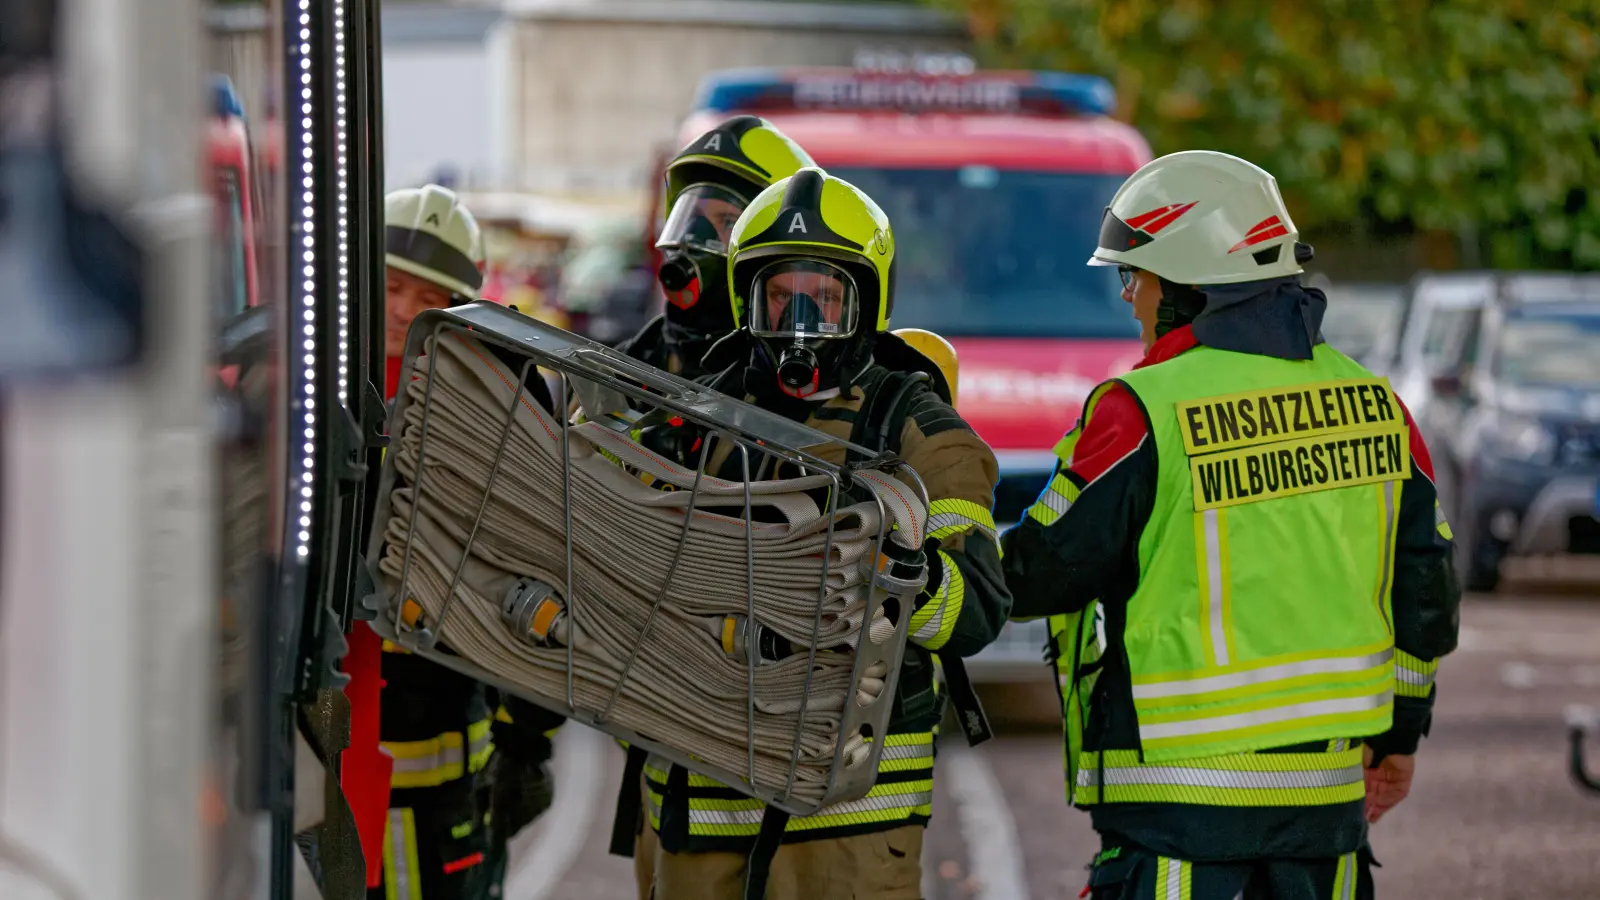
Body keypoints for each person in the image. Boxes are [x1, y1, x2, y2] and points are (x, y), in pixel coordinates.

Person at [999, 150, 1461, 899]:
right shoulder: (1376, 405)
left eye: (1133, 276)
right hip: (1328, 813)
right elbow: (1427, 597)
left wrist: (944, 555)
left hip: (1179, 821)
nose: (1128, 299)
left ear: (1187, 287)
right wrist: (1400, 739)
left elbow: (1042, 570)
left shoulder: (1140, 409)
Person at [633, 167, 1013, 900]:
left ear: (866, 304)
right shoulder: (696, 416)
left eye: (824, 298)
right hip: (703, 797)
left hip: (846, 816)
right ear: (748, 299)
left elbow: (978, 613)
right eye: (780, 297)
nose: (800, 322)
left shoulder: (919, 430)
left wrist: (906, 572)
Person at [372, 184, 561, 900]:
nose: (399, 310)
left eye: (424, 296)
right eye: (390, 285)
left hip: (445, 745)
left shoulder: (496, 397)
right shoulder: (308, 377)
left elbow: (545, 559)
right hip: (331, 740)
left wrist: (527, 737)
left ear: (459, 308)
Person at [615, 114, 817, 380]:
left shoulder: (792, 381)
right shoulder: (630, 361)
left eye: (728, 221)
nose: (693, 237)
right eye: (692, 217)